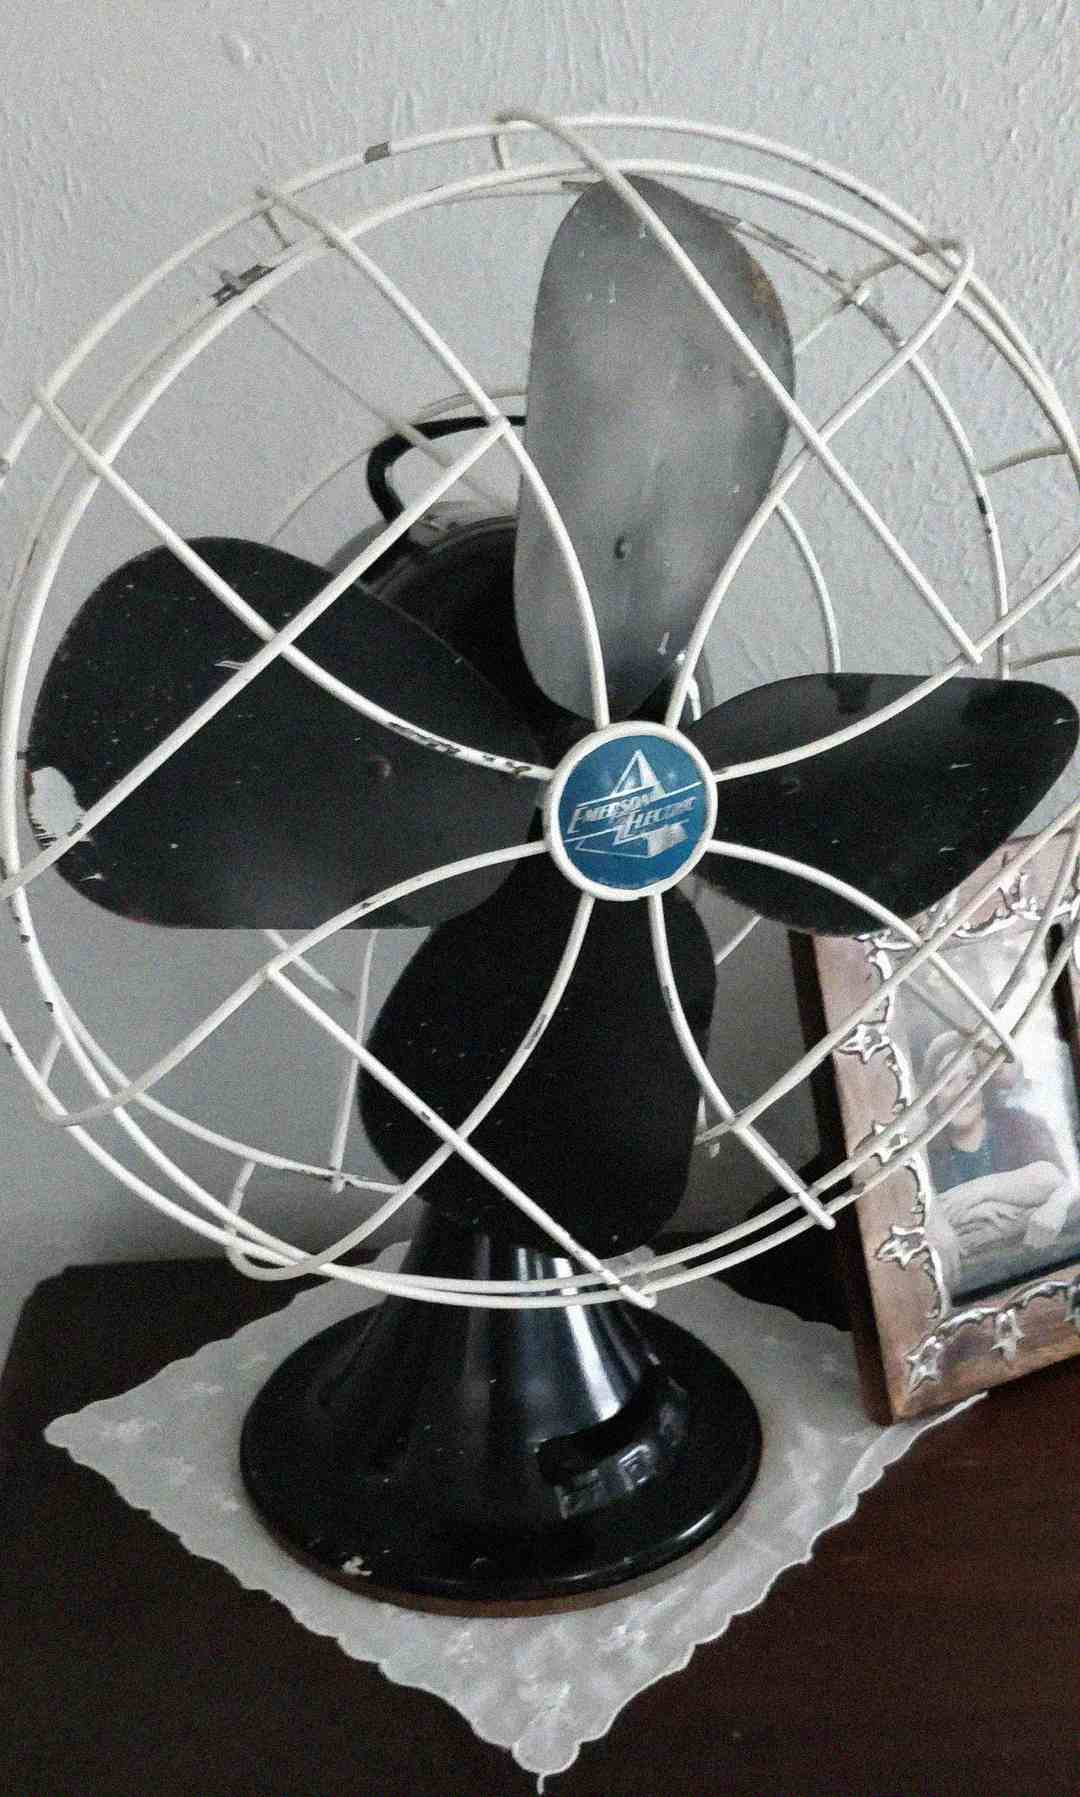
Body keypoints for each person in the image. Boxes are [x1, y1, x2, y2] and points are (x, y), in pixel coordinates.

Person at [919, 1029, 1075, 1294]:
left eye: (971, 1077)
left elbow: (1057, 1179)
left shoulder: (1019, 1125)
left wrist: (975, 1194)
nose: (963, 1092)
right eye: (948, 1081)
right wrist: (935, 1216)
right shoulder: (925, 1151)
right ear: (931, 1095)